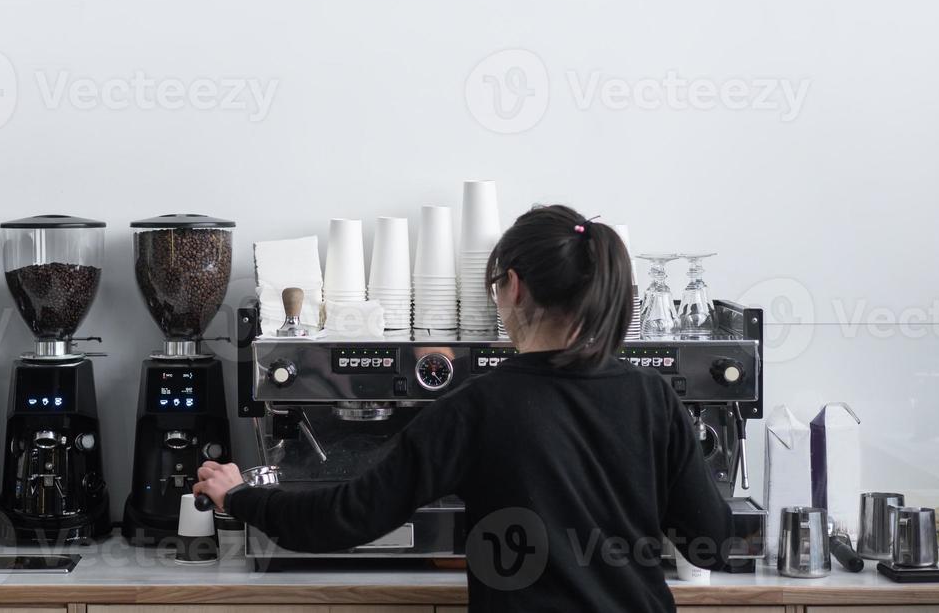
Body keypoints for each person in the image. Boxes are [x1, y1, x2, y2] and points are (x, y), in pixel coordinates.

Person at [194, 204, 736, 612]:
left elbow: (344, 518)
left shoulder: (478, 406)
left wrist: (241, 497)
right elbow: (708, 543)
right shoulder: (653, 396)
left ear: (513, 288)